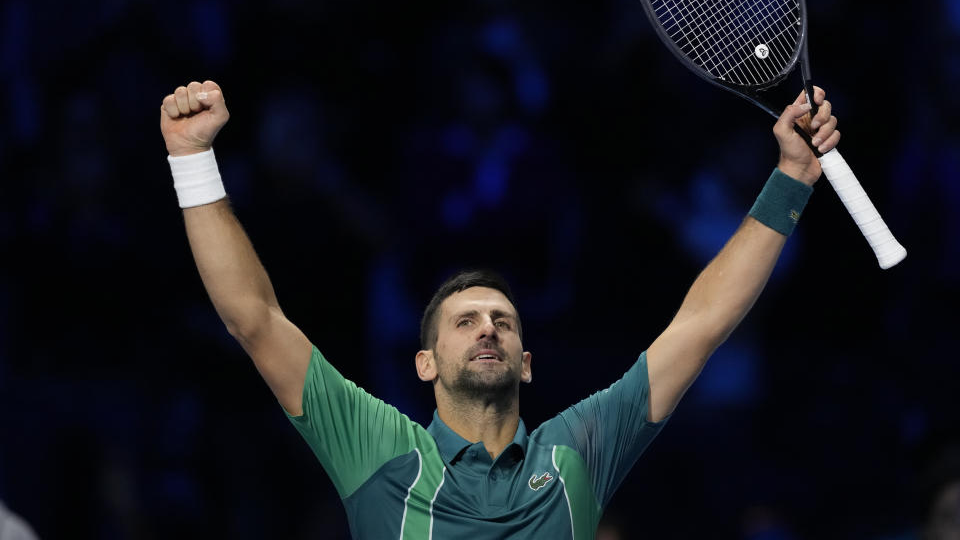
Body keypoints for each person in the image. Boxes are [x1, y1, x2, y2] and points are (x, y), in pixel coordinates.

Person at [160, 79, 840, 538]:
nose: (488, 326)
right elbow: (253, 317)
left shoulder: (578, 450)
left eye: (503, 321)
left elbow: (702, 323)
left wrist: (791, 178)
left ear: (527, 363)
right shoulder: (375, 448)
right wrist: (192, 160)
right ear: (423, 363)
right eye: (465, 321)